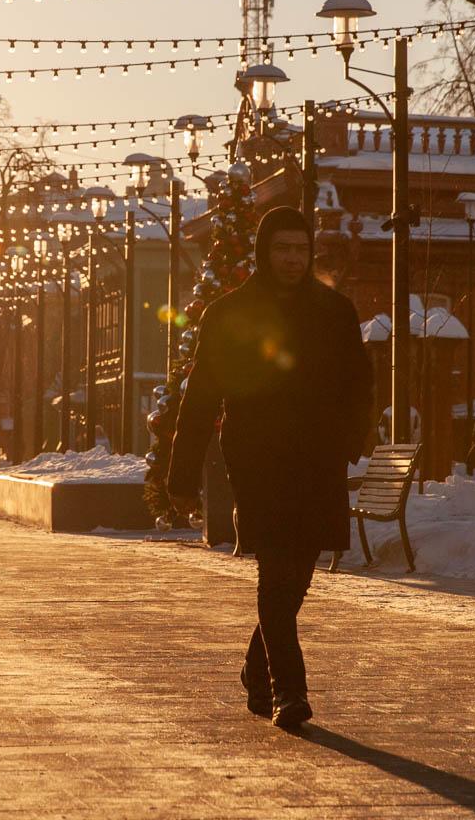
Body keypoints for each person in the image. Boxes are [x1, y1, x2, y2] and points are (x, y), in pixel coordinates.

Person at [167, 206, 371, 730]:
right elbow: (201, 395)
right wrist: (182, 474)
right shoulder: (229, 313)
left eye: (300, 250)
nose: (291, 259)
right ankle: (290, 691)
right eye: (282, 249)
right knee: (275, 567)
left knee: (297, 574)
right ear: (264, 251)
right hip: (257, 458)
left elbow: (358, 382)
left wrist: (352, 437)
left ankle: (257, 671)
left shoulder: (334, 311)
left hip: (318, 456)